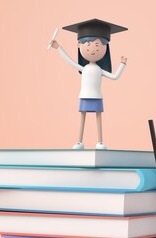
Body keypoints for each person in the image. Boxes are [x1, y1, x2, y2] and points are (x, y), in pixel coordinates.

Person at [49, 18, 128, 149]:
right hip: (84, 95)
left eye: (97, 46)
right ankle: (79, 141)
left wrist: (122, 65)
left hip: (97, 96)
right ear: (80, 46)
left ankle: (100, 141)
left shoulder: (99, 70)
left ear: (105, 48)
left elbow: (114, 77)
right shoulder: (84, 68)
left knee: (98, 117)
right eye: (88, 45)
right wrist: (58, 47)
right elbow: (70, 61)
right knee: (83, 117)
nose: (92, 49)